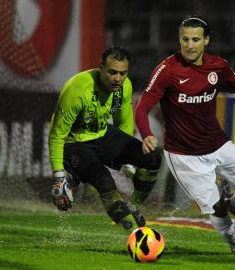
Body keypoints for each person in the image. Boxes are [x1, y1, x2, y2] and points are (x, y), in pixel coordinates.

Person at [135, 16, 235, 256]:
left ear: (206, 41)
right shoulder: (167, 71)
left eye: (196, 40)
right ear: (179, 40)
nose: (190, 45)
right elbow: (142, 106)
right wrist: (147, 134)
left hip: (217, 144)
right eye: (185, 39)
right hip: (184, 156)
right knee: (216, 209)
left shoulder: (217, 66)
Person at [48, 46, 162, 231]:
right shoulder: (77, 89)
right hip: (73, 143)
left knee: (153, 158)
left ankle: (133, 208)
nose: (118, 78)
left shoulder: (124, 86)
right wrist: (58, 177)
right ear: (100, 68)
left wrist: (125, 159)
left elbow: (123, 125)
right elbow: (56, 136)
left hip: (102, 135)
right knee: (104, 180)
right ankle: (135, 232)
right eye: (112, 72)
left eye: (123, 73)